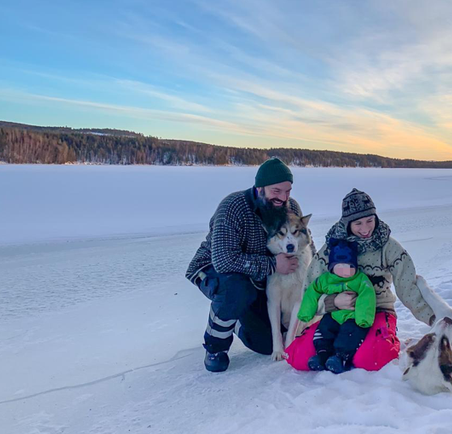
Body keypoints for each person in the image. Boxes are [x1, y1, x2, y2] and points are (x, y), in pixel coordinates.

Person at [286, 188, 434, 372]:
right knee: (299, 357)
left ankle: (377, 340)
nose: (365, 229)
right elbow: (310, 290)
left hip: (377, 311)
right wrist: (333, 302)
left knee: (371, 359)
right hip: (337, 314)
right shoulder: (332, 249)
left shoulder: (389, 247)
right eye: (358, 223)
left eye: (369, 220)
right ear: (347, 223)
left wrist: (433, 318)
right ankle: (336, 350)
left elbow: (408, 288)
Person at [185, 157, 306, 372]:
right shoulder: (234, 207)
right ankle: (216, 346)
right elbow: (223, 261)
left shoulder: (291, 207)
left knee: (267, 344)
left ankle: (239, 319)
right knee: (236, 289)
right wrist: (273, 264)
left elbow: (302, 241)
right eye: (276, 191)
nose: (283, 198)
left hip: (257, 277)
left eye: (287, 191)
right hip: (213, 269)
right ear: (260, 188)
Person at [297, 238, 376, 374]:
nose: (345, 271)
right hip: (333, 314)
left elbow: (367, 296)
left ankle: (340, 357)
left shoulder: (360, 280)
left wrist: (363, 318)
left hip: (352, 316)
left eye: (349, 266)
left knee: (350, 333)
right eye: (340, 266)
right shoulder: (326, 280)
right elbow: (312, 292)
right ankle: (322, 355)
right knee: (324, 329)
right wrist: (306, 312)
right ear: (333, 267)